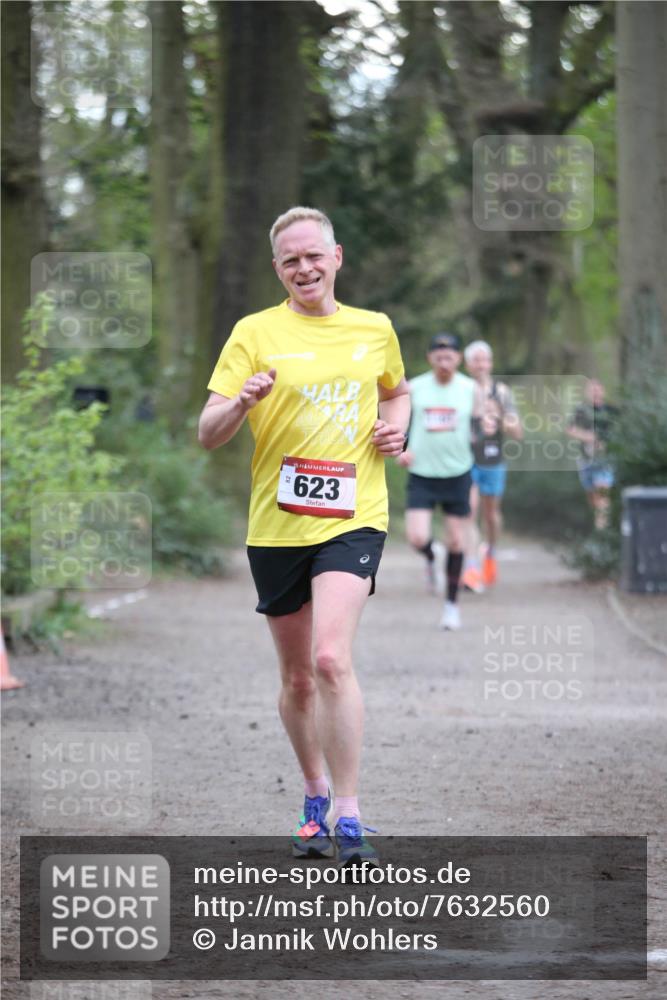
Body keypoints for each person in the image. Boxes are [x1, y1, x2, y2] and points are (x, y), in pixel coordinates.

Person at [198, 207, 410, 865]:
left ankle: (349, 812)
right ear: (277, 269)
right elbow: (208, 431)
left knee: (329, 659)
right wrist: (241, 401)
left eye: (313, 255)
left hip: (354, 517)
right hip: (277, 524)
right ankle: (315, 794)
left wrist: (397, 429)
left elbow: (396, 393)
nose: (304, 268)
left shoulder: (374, 329)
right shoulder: (254, 333)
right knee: (295, 680)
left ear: (336, 256)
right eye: (290, 260)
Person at [397, 333, 483, 630]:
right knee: (417, 538)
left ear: (459, 359)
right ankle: (433, 555)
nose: (444, 362)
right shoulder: (415, 387)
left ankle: (451, 606)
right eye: (439, 356)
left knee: (457, 540)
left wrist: (484, 431)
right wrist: (402, 449)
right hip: (422, 473)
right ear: (429, 357)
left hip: (458, 472)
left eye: (450, 357)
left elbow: (482, 426)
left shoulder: (471, 389)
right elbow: (399, 421)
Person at [462, 340, 523, 589]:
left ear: (490, 363)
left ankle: (491, 552)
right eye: (475, 360)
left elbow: (517, 432)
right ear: (467, 365)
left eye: (484, 359)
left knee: (490, 516)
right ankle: (471, 568)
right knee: (468, 512)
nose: (480, 364)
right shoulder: (460, 390)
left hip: (493, 460)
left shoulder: (502, 392)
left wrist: (498, 416)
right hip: (464, 460)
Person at [566, 378, 618, 530]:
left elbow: (620, 432)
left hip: (605, 460)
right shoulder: (582, 411)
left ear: (603, 391)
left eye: (597, 389)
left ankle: (602, 534)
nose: (595, 393)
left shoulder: (611, 411)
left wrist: (606, 443)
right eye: (591, 390)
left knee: (603, 497)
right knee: (593, 499)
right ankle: (599, 527)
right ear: (587, 393)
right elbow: (570, 429)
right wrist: (588, 436)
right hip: (586, 460)